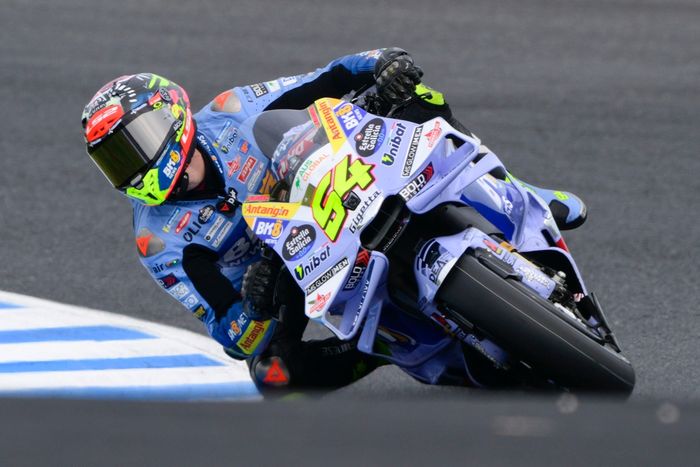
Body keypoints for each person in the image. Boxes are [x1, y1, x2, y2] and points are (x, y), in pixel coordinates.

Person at [81, 48, 587, 394]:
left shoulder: (233, 110)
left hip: (333, 188)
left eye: (136, 144)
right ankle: (381, 348)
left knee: (413, 96)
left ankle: (513, 188)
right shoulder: (159, 240)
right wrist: (253, 305)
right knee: (273, 376)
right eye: (116, 161)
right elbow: (232, 335)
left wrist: (382, 64)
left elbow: (332, 76)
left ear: (172, 116)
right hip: (289, 270)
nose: (134, 166)